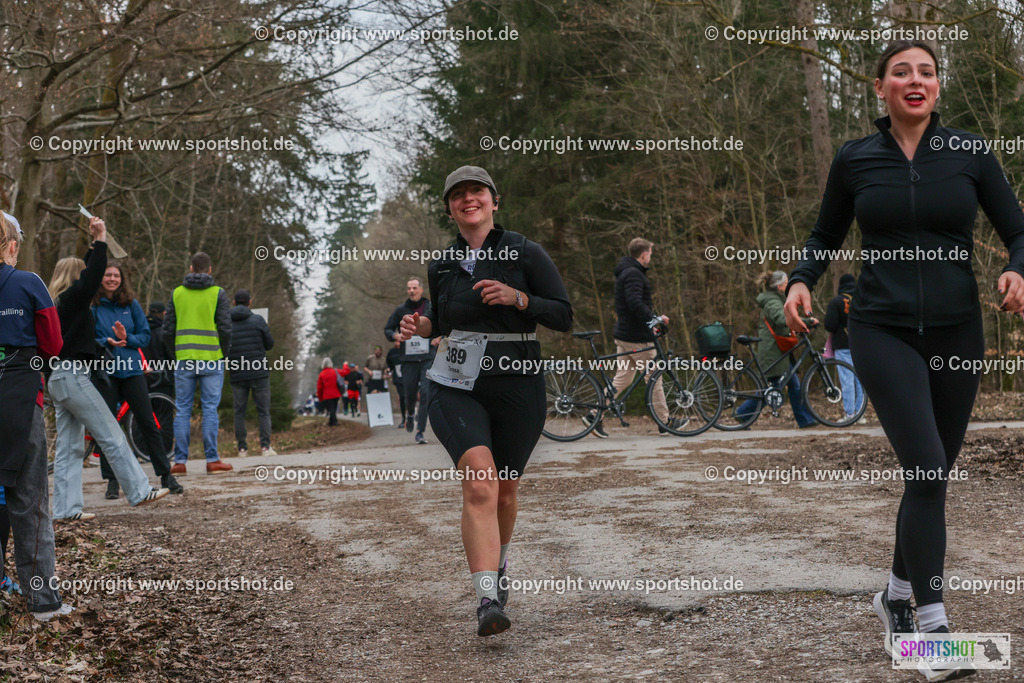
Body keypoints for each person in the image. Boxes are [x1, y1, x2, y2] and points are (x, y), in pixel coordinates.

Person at [784, 41, 1024, 671]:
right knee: (926, 466)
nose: (915, 80)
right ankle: (933, 633)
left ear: (937, 86)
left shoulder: (970, 153)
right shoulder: (855, 158)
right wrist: (802, 278)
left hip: (958, 332)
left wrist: (1017, 269)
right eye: (901, 72)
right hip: (881, 329)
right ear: (880, 87)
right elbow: (825, 233)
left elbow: (1018, 231)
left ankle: (893, 597)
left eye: (927, 71)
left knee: (931, 476)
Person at [401, 165, 572, 636]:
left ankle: (499, 565)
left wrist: (519, 298)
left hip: (517, 382)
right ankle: (487, 598)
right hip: (456, 383)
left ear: (494, 201)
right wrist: (421, 326)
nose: (468, 199)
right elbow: (441, 320)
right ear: (449, 209)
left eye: (476, 191)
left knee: (506, 490)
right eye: (457, 195)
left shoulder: (524, 251)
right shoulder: (441, 264)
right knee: (480, 482)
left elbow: (563, 315)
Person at [48, 217, 169, 521]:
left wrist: (92, 248)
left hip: (57, 378)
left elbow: (87, 277)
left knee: (69, 448)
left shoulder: (58, 304)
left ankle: (66, 510)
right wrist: (101, 239)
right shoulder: (74, 299)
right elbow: (90, 278)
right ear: (77, 277)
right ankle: (139, 490)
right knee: (111, 433)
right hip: (73, 376)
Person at [0, 211, 70, 620]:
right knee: (30, 500)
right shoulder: (29, 283)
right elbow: (54, 343)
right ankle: (43, 601)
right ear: (12, 247)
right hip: (20, 399)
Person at [91, 262, 183, 498]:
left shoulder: (131, 305)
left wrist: (127, 338)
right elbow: (88, 339)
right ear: (100, 278)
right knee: (108, 428)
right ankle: (112, 481)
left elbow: (144, 336)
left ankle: (166, 475)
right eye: (108, 275)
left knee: (148, 423)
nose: (112, 279)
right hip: (106, 372)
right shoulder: (93, 306)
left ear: (122, 279)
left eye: (116, 275)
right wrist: (106, 341)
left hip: (132, 372)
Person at [586, 238, 677, 438]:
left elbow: (631, 304)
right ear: (644, 254)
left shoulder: (626, 272)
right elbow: (634, 302)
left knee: (623, 378)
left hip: (626, 334)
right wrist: (654, 319)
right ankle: (665, 422)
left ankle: (593, 415)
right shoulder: (634, 274)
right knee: (654, 377)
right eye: (650, 253)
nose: (651, 257)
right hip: (636, 337)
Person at [164, 252, 233, 475]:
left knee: (183, 409)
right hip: (211, 359)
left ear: (191, 268)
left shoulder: (177, 293)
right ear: (210, 270)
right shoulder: (218, 293)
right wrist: (223, 354)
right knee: (210, 409)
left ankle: (179, 462)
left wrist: (175, 354)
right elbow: (226, 329)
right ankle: (212, 460)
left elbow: (167, 330)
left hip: (184, 358)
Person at [736, 271, 819, 428]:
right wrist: (807, 321)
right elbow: (782, 319)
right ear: (779, 286)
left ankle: (805, 420)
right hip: (773, 352)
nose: (789, 285)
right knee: (775, 387)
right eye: (787, 283)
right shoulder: (772, 302)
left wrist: (797, 327)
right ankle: (742, 413)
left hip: (779, 350)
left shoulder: (775, 300)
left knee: (791, 385)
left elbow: (781, 323)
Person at [384, 277, 437, 444]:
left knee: (426, 393)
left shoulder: (430, 307)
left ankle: (420, 431)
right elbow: (388, 329)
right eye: (409, 288)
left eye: (414, 288)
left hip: (428, 357)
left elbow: (443, 324)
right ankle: (410, 413)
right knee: (410, 394)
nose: (411, 291)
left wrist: (440, 337)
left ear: (421, 289)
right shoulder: (401, 309)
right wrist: (395, 335)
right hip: (408, 359)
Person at [226, 289, 276, 456]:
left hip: (237, 373)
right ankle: (265, 447)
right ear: (250, 302)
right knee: (263, 411)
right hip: (258, 372)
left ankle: (242, 448)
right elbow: (269, 344)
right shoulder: (258, 320)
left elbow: (223, 347)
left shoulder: (226, 323)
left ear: (234, 303)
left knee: (239, 412)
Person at [823, 274, 865, 422]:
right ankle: (860, 414)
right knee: (860, 380)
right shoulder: (862, 300)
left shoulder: (837, 302)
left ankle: (850, 414)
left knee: (847, 380)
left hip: (842, 345)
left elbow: (830, 325)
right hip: (861, 344)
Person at [144, 301, 174, 392]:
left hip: (144, 376)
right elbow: (171, 354)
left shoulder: (141, 331)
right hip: (163, 377)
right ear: (164, 313)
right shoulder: (164, 333)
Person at [386, 341, 406, 428]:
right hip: (398, 379)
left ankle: (413, 415)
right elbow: (389, 365)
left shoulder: (408, 348)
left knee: (412, 397)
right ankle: (404, 419)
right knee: (402, 397)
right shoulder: (392, 352)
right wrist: (388, 370)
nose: (398, 342)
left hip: (410, 377)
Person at [316, 358, 342, 425]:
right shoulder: (335, 372)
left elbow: (319, 387)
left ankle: (334, 422)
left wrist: (320, 397)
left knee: (331, 409)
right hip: (336, 394)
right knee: (334, 408)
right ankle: (332, 421)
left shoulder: (322, 374)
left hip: (327, 395)